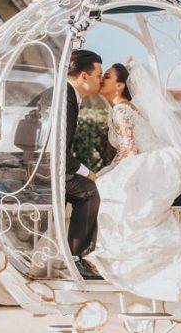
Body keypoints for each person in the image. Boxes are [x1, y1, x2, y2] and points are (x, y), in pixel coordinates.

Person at [86, 63, 181, 301]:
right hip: (152, 159)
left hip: (154, 163)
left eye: (107, 76)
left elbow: (130, 152)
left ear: (120, 85)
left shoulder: (121, 110)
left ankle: (118, 257)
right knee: (106, 185)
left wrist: (110, 173)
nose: (101, 79)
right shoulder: (124, 107)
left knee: (107, 191)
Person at [64, 50, 103, 278]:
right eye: (98, 74)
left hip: (44, 165)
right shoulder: (67, 100)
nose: (100, 79)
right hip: (45, 170)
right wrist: (88, 173)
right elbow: (59, 152)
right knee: (90, 191)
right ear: (84, 77)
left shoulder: (66, 95)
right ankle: (75, 258)